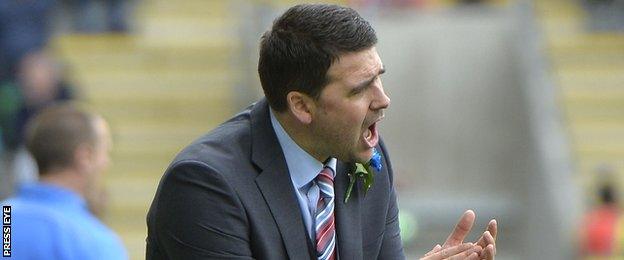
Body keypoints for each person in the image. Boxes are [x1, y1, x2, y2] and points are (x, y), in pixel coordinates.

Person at [146, 4, 496, 260]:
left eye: (379, 77)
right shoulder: (204, 185)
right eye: (360, 89)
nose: (383, 99)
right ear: (301, 106)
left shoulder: (365, 153)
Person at [1, 104, 127, 260]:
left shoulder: (5, 217)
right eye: (104, 153)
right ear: (85, 157)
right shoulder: (96, 242)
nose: (107, 163)